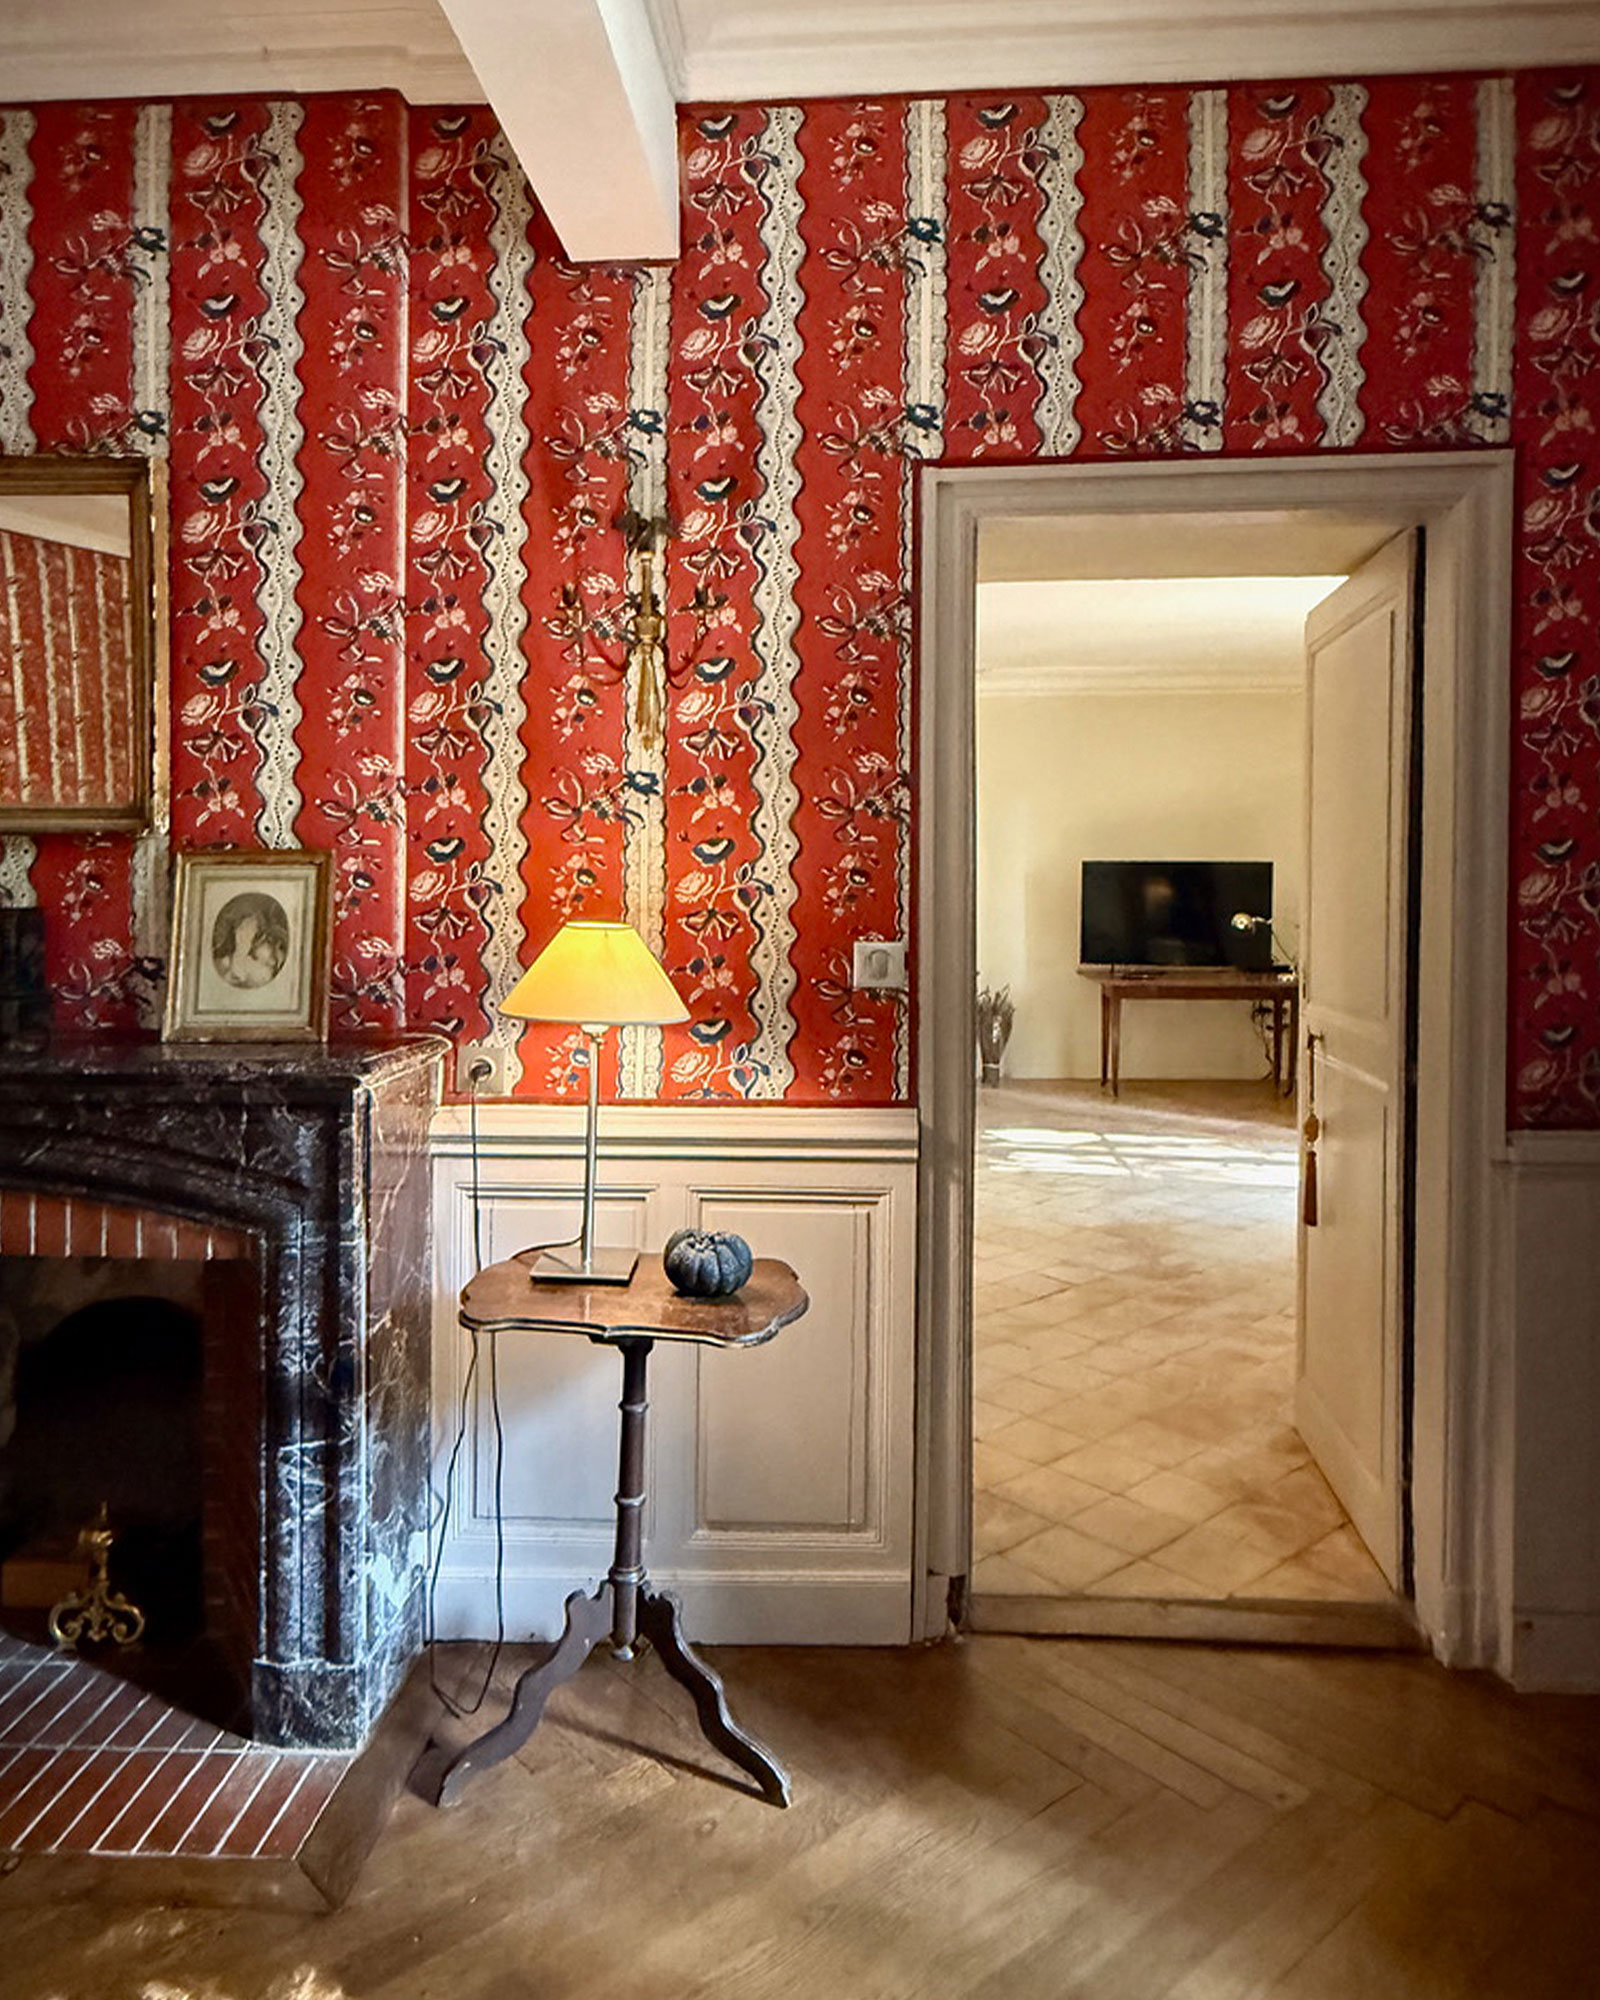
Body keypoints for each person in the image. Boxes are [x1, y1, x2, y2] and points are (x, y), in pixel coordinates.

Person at [211, 891, 289, 991]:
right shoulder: (223, 963)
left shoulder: (265, 969)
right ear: (236, 931)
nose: (244, 934)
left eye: (257, 934)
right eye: (242, 928)